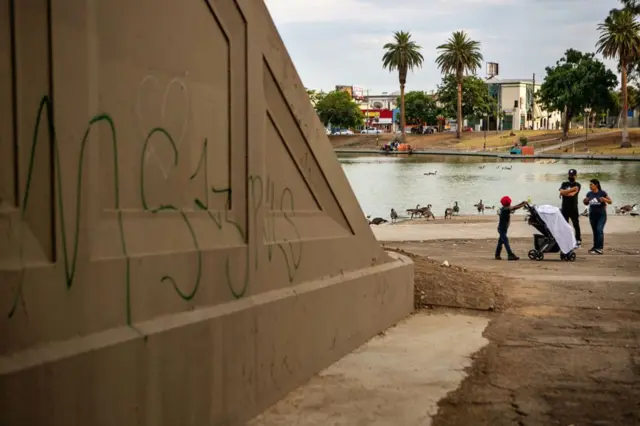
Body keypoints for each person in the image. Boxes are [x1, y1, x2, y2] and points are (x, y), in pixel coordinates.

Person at [583, 179, 612, 255]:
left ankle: (599, 248)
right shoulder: (589, 193)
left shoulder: (602, 193)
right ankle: (595, 247)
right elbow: (586, 203)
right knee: (595, 231)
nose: (590, 186)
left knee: (599, 230)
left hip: (601, 215)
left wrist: (604, 199)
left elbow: (610, 202)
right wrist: (585, 200)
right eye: (589, 184)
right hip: (592, 215)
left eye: (591, 184)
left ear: (596, 185)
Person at [495, 196, 527, 260]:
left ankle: (497, 254)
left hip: (502, 228)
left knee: (501, 241)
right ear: (509, 202)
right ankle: (510, 254)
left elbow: (514, 207)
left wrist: (522, 203)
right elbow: (514, 208)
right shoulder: (505, 210)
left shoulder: (504, 209)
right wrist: (523, 204)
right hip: (502, 229)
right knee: (505, 241)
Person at [559, 169, 582, 247]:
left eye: (572, 175)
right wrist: (570, 190)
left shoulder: (578, 184)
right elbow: (561, 192)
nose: (571, 176)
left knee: (576, 224)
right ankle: (566, 238)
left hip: (573, 208)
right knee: (565, 224)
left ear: (575, 176)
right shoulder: (564, 183)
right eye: (570, 175)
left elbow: (572, 195)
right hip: (565, 208)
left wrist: (564, 192)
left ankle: (578, 239)